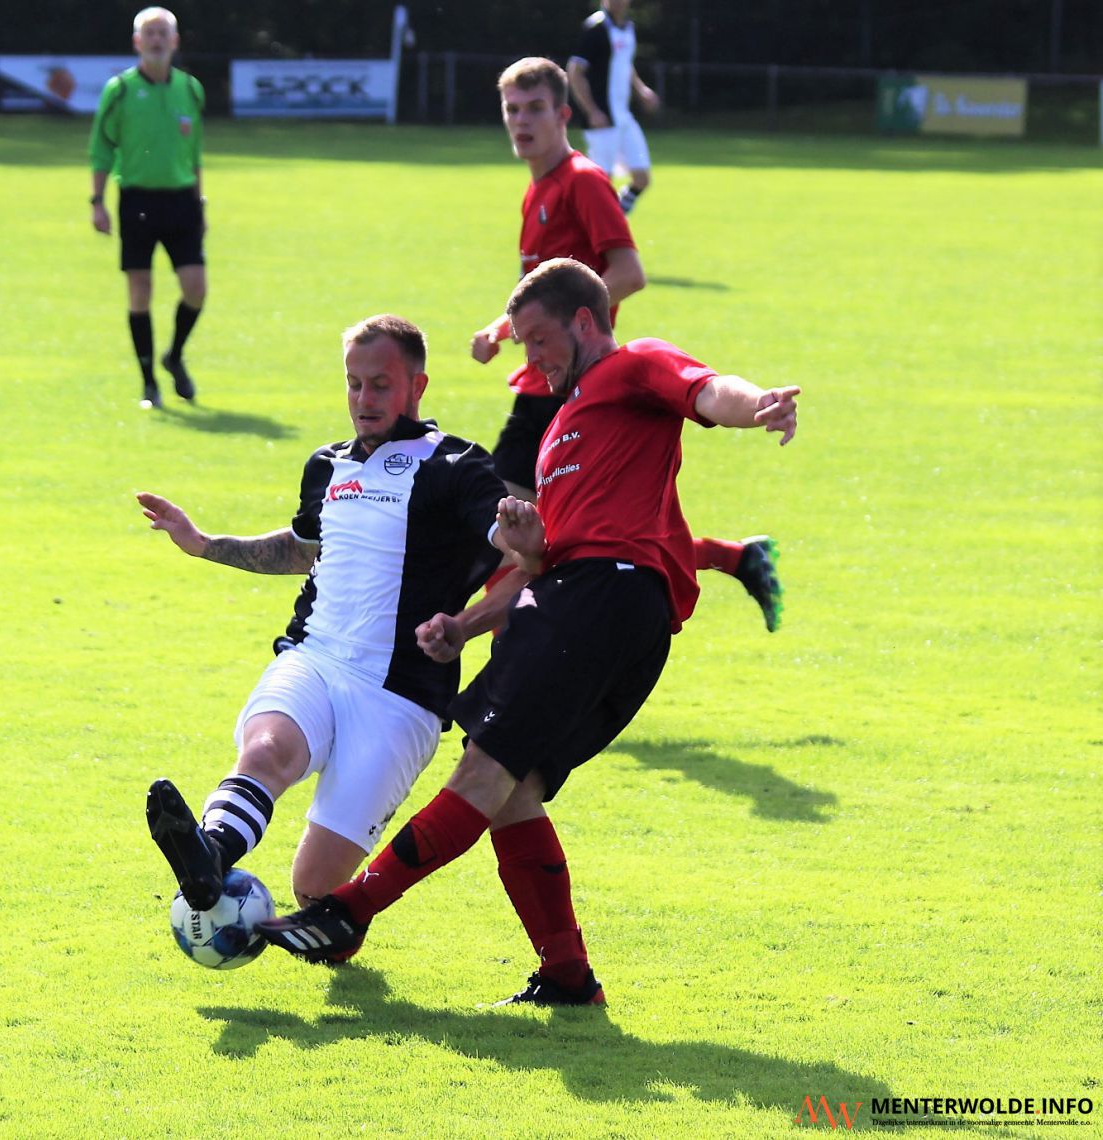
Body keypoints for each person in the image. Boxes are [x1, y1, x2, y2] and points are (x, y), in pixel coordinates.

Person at [257, 258, 802, 1004]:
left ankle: (346, 911)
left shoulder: (632, 365)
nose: (532, 359)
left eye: (539, 340)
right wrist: (465, 623)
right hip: (604, 612)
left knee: (483, 772)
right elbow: (542, 566)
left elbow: (707, 391)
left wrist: (758, 404)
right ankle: (567, 975)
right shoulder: (560, 431)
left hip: (602, 598)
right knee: (513, 792)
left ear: (583, 320)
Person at [139, 315, 514, 920]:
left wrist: (478, 604)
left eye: (381, 385)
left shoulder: (455, 465)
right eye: (354, 384)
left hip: (401, 695)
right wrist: (204, 544)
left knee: (315, 890)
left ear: (417, 386)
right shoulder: (327, 465)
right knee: (267, 751)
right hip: (313, 657)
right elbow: (301, 550)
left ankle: (306, 917)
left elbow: (523, 554)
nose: (364, 399)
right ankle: (209, 858)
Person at [470, 56, 782, 631]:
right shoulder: (536, 191)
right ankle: (734, 557)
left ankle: (513, 644)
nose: (522, 121)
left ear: (564, 114)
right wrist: (504, 327)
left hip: (571, 383)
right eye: (512, 109)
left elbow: (629, 273)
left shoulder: (583, 182)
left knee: (511, 530)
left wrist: (568, 327)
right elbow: (544, 293)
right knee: (551, 528)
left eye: (535, 108)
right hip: (546, 379)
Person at [88, 7, 206, 409]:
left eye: (163, 33)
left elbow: (194, 153)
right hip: (137, 199)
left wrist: (200, 202)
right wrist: (97, 201)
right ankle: (148, 382)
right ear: (137, 42)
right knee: (140, 289)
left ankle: (174, 355)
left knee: (196, 288)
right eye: (149, 33)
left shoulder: (190, 89)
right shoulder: (120, 90)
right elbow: (101, 148)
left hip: (182, 199)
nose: (156, 40)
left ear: (175, 41)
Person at [567, 0, 659, 215]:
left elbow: (624, 63)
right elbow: (575, 71)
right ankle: (590, 223)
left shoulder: (628, 27)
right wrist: (592, 111)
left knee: (642, 179)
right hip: (602, 119)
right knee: (600, 182)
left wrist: (641, 90)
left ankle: (613, 217)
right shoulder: (595, 28)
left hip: (624, 117)